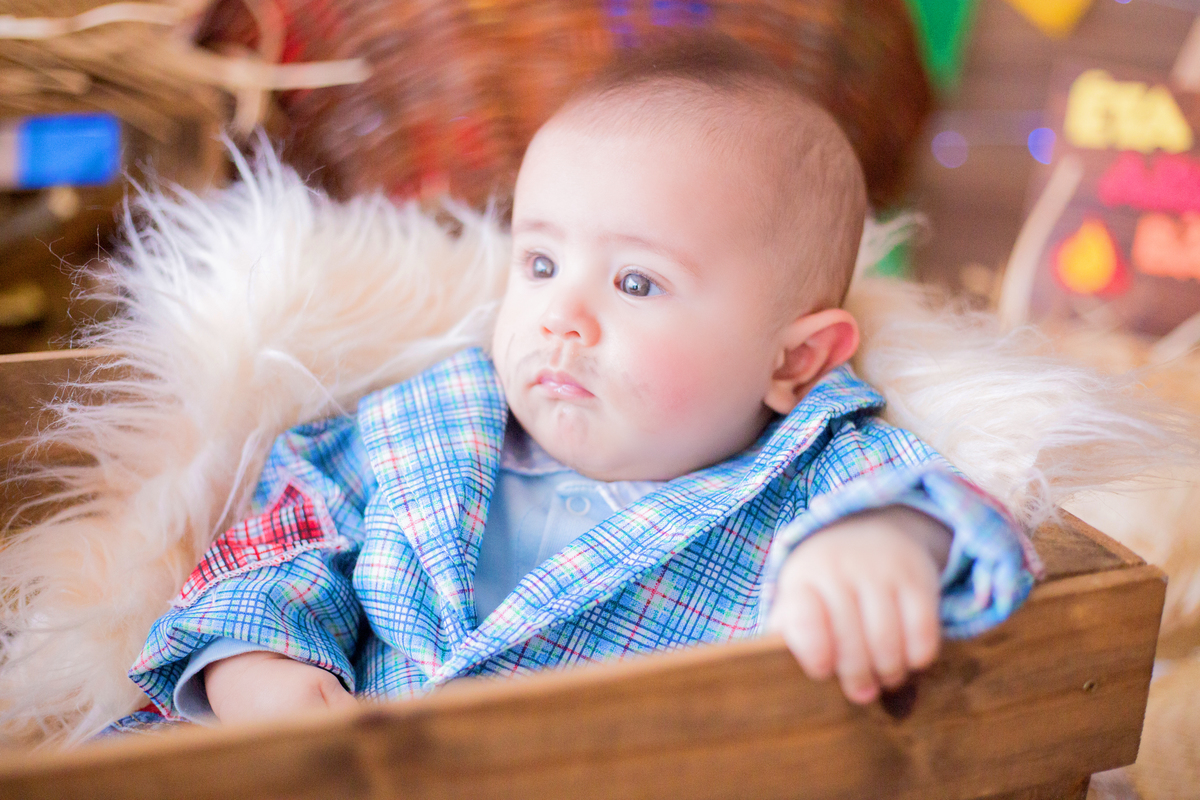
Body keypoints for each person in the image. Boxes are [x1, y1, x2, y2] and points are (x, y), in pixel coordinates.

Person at [128, 32, 1037, 727]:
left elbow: (965, 508)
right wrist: (255, 666)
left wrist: (885, 540)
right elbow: (286, 530)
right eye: (539, 263)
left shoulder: (814, 471)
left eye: (637, 282)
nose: (563, 316)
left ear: (793, 360)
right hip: (350, 763)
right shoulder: (431, 421)